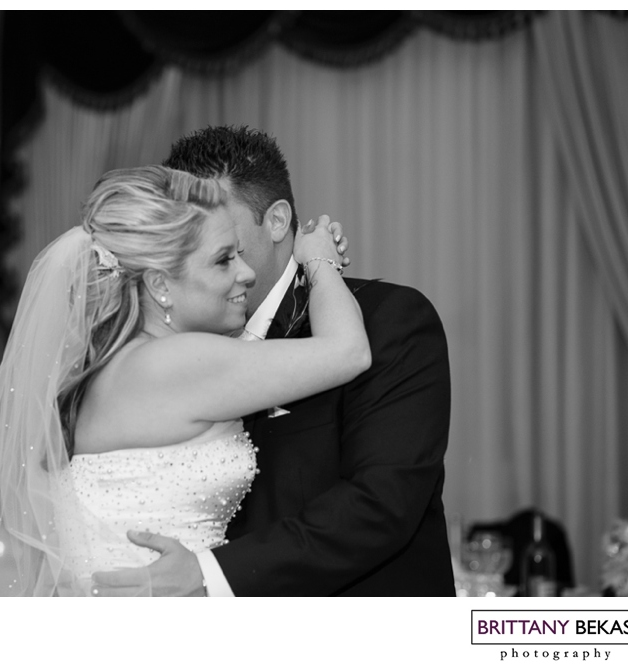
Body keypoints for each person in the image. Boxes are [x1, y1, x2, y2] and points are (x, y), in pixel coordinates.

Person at [0, 165, 367, 596]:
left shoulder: (104, 368)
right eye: (223, 260)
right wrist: (318, 260)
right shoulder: (179, 364)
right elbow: (349, 352)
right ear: (160, 285)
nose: (245, 273)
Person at [91, 125, 455, 596]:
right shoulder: (169, 349)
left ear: (278, 221)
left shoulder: (388, 319)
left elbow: (380, 504)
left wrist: (213, 574)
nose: (214, 254)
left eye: (224, 240)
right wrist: (321, 262)